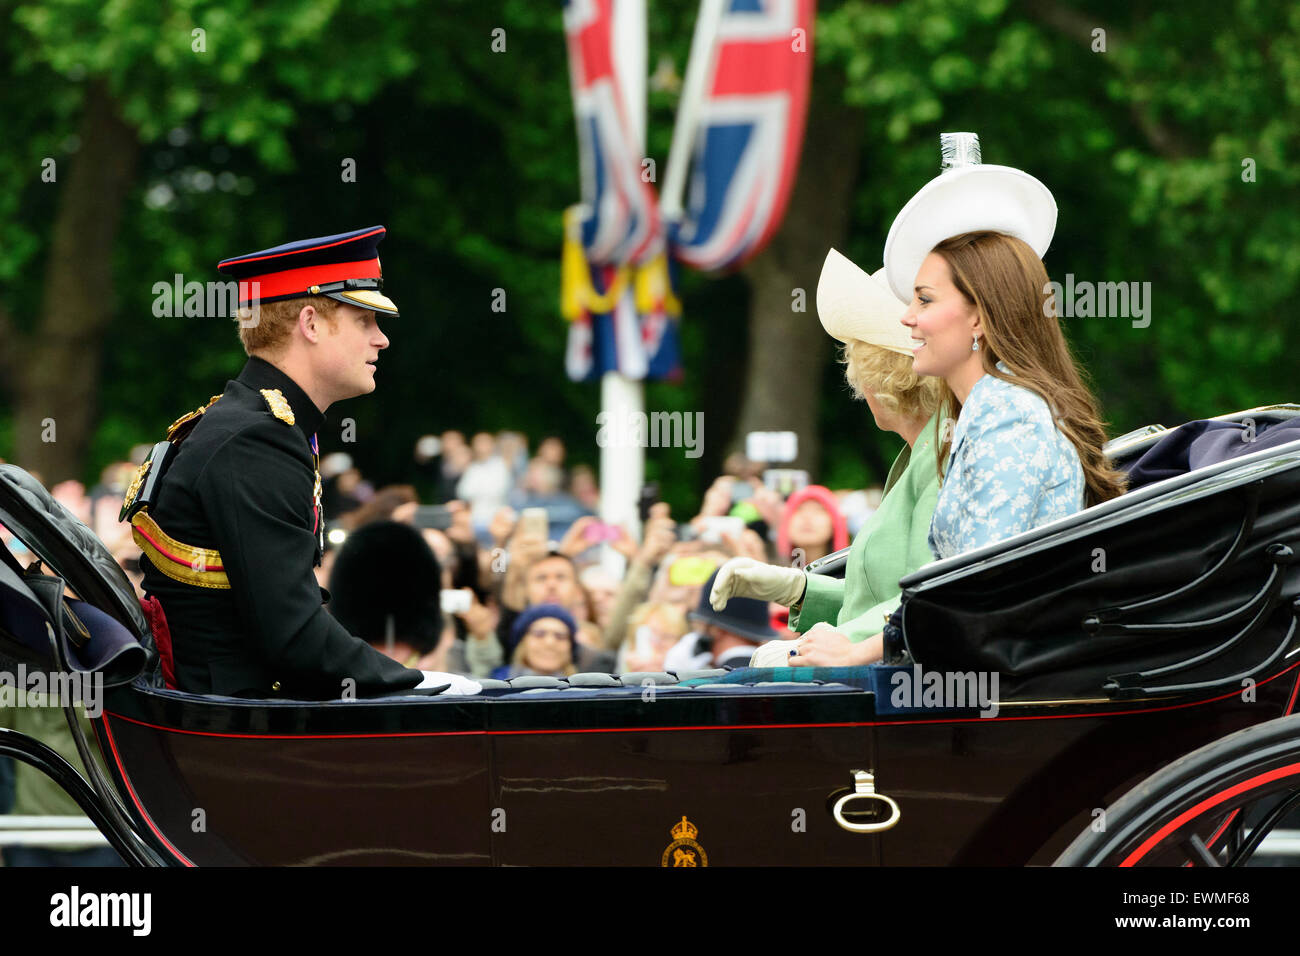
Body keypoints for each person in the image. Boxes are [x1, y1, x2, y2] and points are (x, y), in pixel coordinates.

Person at [124, 226, 477, 698]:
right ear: (310, 324)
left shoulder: (253, 423)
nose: (382, 340)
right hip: (239, 730)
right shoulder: (256, 437)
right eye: (364, 321)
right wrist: (415, 683)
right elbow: (295, 638)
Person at [711, 248, 943, 665]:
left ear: (878, 375)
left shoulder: (940, 451)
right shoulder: (917, 454)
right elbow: (878, 599)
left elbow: (930, 598)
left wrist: (813, 647)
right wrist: (799, 588)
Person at [491, 604, 579, 680]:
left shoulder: (585, 690)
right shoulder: (493, 687)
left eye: (560, 636)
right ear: (522, 641)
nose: (550, 642)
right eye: (539, 634)